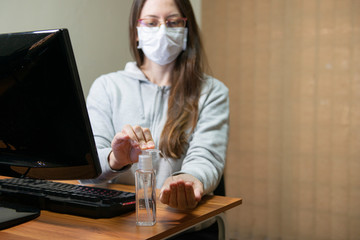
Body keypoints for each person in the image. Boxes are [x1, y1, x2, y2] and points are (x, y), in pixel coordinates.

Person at [82, 0, 229, 237]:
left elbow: (207, 158)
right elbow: (88, 168)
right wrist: (115, 159)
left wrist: (189, 180)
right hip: (120, 228)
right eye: (151, 22)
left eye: (172, 22)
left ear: (185, 29)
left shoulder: (212, 92)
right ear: (136, 32)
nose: (162, 30)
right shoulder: (107, 87)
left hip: (181, 228)